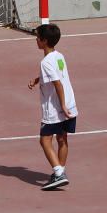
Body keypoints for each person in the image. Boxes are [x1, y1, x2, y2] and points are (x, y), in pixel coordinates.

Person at [27, 23, 78, 190]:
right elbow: (57, 75)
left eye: (38, 37)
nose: (36, 40)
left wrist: (61, 105)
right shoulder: (59, 56)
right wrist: (38, 79)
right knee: (62, 139)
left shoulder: (45, 62)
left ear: (44, 41)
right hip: (70, 104)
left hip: (55, 108)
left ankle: (58, 173)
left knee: (44, 141)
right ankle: (59, 172)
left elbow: (57, 84)